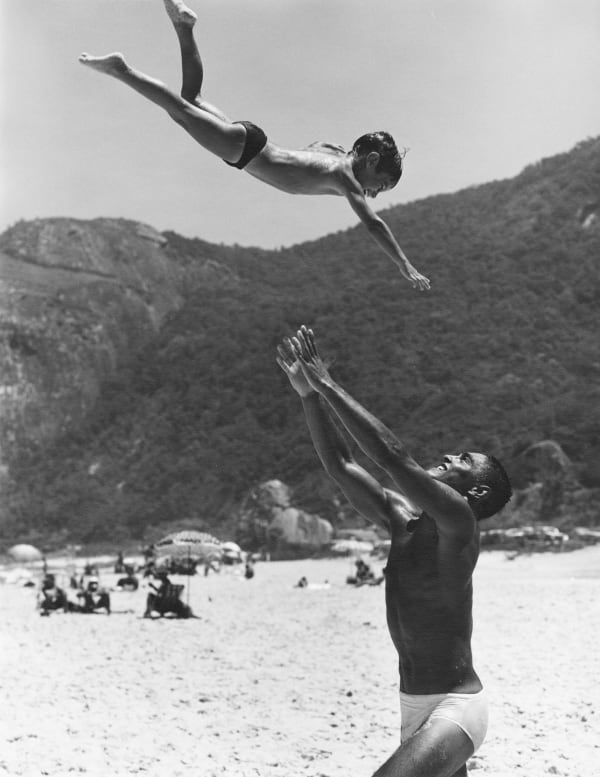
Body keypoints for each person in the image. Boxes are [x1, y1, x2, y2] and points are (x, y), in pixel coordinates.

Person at [276, 326, 512, 777]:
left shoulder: (459, 524)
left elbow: (393, 458)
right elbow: (341, 465)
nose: (448, 455)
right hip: (412, 706)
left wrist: (327, 383)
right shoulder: (402, 522)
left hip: (455, 708)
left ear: (476, 491)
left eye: (462, 460)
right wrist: (308, 396)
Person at [78, 0, 429, 290]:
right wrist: (404, 263)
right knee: (182, 111)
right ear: (369, 161)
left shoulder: (336, 158)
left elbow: (316, 146)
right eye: (380, 184)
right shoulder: (346, 178)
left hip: (252, 141)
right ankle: (121, 69)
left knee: (192, 98)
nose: (376, 194)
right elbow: (374, 224)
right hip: (246, 151)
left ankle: (184, 25)